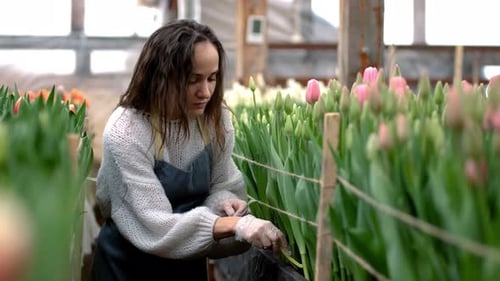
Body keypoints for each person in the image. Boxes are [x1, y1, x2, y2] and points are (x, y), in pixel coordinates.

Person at [91, 19, 287, 281]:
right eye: (193, 80)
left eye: (212, 78)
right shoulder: (127, 130)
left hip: (187, 264)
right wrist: (236, 225)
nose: (205, 92)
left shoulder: (215, 121)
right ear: (162, 77)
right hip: (128, 266)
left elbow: (222, 185)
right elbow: (155, 224)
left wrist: (223, 203)